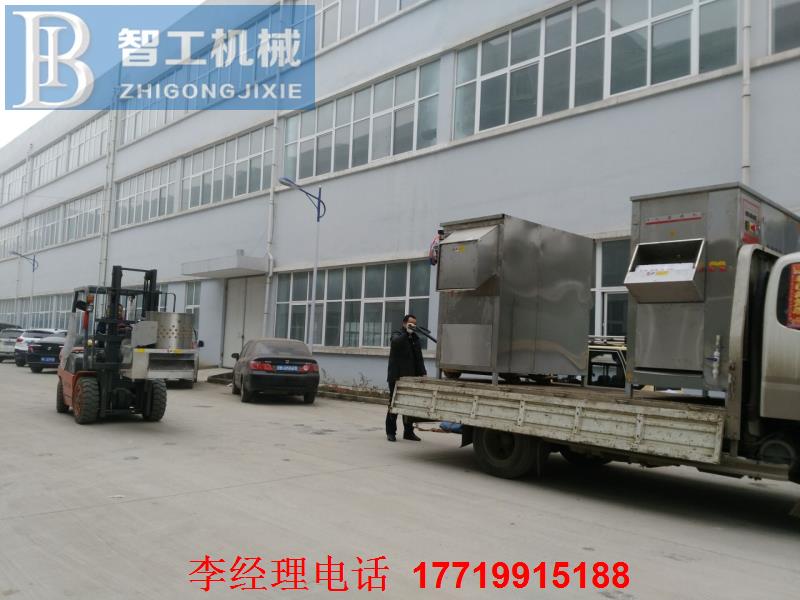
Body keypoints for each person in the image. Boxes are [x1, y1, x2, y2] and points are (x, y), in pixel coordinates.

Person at [386, 314, 427, 442]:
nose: (413, 326)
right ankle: (391, 432)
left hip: (411, 377)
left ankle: (408, 432)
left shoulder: (415, 338)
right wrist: (406, 333)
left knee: (409, 405)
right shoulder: (397, 334)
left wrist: (423, 372)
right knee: (394, 404)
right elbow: (395, 343)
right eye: (410, 324)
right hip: (397, 377)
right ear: (404, 324)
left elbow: (418, 358)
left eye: (414, 324)